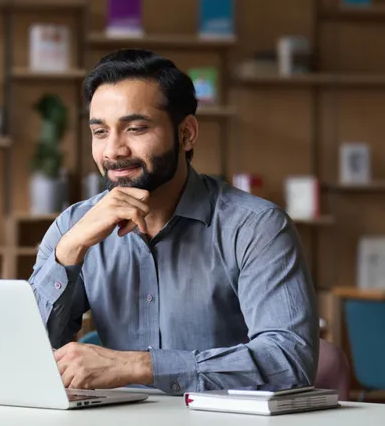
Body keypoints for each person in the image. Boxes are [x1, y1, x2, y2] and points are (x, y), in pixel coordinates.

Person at [27, 49, 319, 395]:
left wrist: (140, 366)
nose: (113, 151)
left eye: (135, 128)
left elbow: (290, 361)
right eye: (100, 132)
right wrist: (70, 252)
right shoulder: (73, 226)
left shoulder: (256, 227)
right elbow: (25, 356)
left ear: (186, 134)